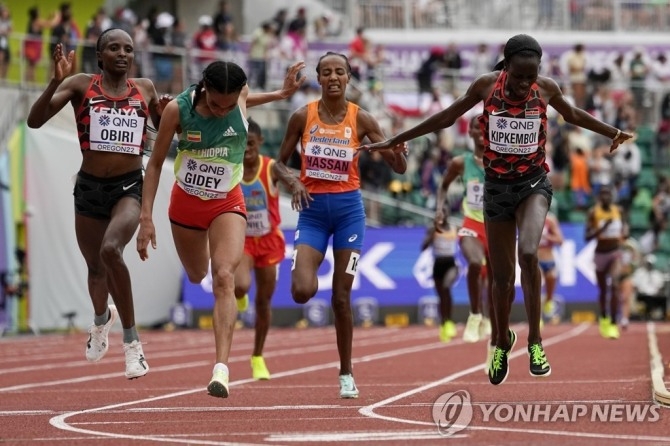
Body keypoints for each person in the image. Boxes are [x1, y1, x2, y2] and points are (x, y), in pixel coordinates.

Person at [359, 34, 633, 385]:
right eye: (518, 76)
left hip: (533, 184)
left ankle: (535, 341)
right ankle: (503, 340)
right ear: (505, 66)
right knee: (502, 279)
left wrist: (612, 131)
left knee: (530, 254)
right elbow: (445, 117)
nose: (524, 84)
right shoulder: (486, 86)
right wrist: (398, 139)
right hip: (497, 190)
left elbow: (572, 113)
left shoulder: (545, 89)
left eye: (530, 77)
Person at [136, 59, 306, 398]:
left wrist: (280, 94)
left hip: (227, 201)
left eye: (229, 106)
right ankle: (221, 289)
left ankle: (221, 369)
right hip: (185, 205)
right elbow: (154, 164)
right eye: (215, 104)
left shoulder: (238, 97)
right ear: (204, 89)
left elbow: (245, 100)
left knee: (224, 276)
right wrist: (146, 217)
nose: (221, 110)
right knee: (198, 274)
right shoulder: (177, 111)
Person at [26, 28, 168, 379]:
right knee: (94, 268)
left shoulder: (145, 88)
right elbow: (35, 120)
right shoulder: (79, 84)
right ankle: (101, 320)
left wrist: (163, 115)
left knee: (110, 251)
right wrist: (53, 82)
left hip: (129, 188)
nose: (123, 54)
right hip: (89, 189)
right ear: (100, 55)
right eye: (114, 48)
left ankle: (133, 345)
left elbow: (166, 133)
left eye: (129, 49)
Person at [272, 52, 407, 398]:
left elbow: (399, 167)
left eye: (340, 72)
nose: (333, 77)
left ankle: (346, 372)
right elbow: (277, 165)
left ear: (348, 78)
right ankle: (303, 264)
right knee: (302, 291)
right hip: (313, 212)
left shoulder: (362, 119)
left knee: (342, 298)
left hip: (349, 213)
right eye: (327, 72)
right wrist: (293, 182)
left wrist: (400, 151)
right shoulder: (303, 116)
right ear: (318, 78)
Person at [234, 117, 285, 381]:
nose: (246, 149)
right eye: (242, 144)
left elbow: (289, 176)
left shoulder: (270, 168)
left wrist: (298, 185)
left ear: (260, 142)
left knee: (264, 300)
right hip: (241, 240)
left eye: (251, 144)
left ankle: (257, 356)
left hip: (268, 241)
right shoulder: (231, 169)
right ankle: (239, 294)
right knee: (240, 285)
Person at [435, 114, 493, 346]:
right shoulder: (460, 163)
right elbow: (443, 186)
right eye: (475, 129)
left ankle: (489, 318)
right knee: (475, 263)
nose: (480, 132)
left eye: (484, 128)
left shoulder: (501, 160)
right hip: (471, 223)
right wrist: (440, 209)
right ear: (468, 133)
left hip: (497, 227)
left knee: (496, 281)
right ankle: (475, 314)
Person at [585, 185, 627, 339]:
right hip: (600, 254)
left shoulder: (619, 211)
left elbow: (625, 227)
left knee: (615, 285)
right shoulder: (593, 212)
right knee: (603, 290)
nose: (605, 197)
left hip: (615, 253)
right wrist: (603, 229)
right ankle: (604, 317)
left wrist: (624, 232)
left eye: (608, 194)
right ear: (598, 197)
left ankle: (614, 323)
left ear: (612, 196)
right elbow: (587, 237)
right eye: (602, 194)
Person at [421, 208, 458, 343]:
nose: (442, 215)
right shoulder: (432, 229)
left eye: (444, 212)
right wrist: (432, 234)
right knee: (441, 296)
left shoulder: (454, 228)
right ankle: (444, 323)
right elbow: (423, 247)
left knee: (447, 287)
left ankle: (449, 322)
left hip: (451, 264)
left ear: (448, 214)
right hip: (437, 265)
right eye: (439, 213)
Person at [538, 211, 563, 322]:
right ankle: (537, 319)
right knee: (536, 286)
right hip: (535, 259)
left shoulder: (550, 220)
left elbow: (560, 240)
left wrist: (547, 236)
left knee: (551, 278)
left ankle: (549, 300)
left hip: (549, 259)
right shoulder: (529, 217)